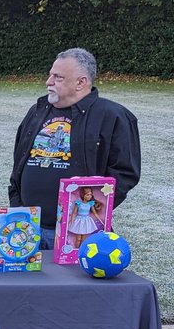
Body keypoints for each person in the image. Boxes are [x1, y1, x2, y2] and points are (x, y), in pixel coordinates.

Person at [8, 48, 140, 247]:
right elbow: (19, 161)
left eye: (58, 77)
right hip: (27, 225)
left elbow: (125, 173)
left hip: (76, 230)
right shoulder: (37, 111)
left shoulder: (113, 116)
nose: (48, 82)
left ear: (81, 82)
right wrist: (17, 203)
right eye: (50, 74)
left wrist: (91, 206)